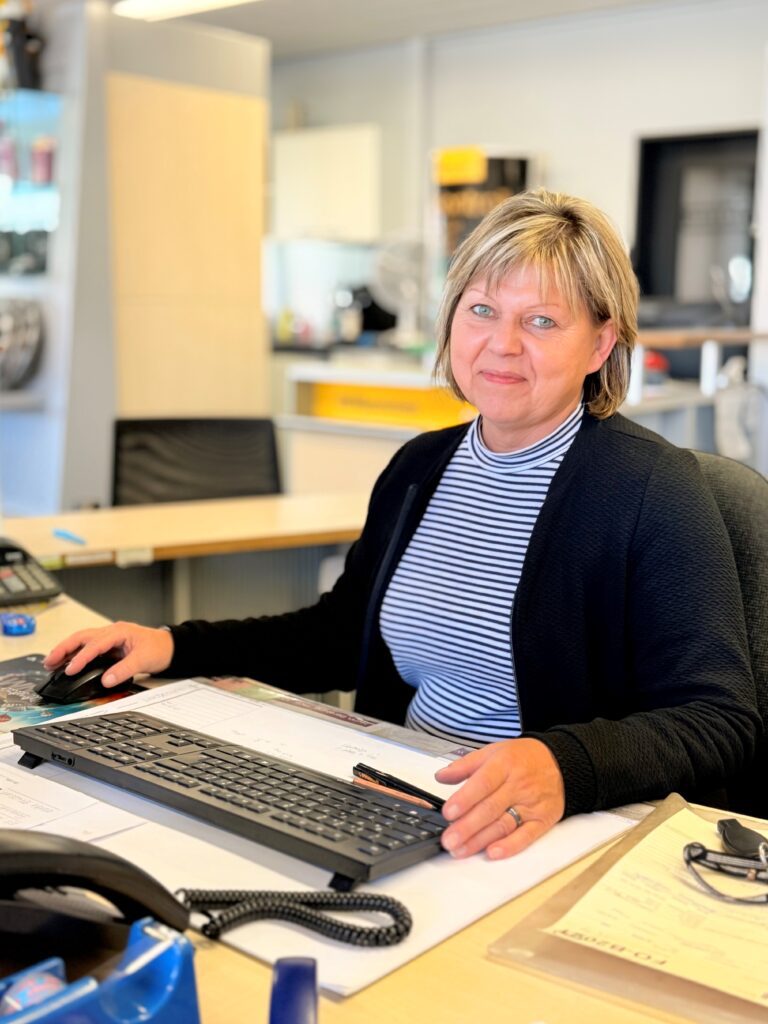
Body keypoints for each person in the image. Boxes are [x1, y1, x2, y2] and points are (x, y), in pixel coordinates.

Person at [45, 189, 760, 862]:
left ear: (601, 346)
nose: (503, 344)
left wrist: (565, 765)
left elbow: (719, 717)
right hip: (406, 803)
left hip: (551, 830)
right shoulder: (422, 467)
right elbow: (339, 635)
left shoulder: (652, 489)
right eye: (482, 310)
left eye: (542, 320)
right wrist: (171, 643)